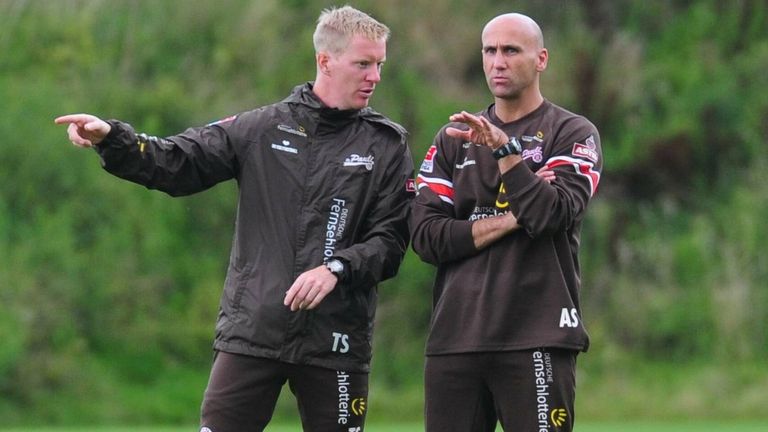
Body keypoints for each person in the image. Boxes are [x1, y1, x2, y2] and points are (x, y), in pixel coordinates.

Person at [55, 6, 414, 432]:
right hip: (254, 331)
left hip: (337, 339)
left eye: (380, 65)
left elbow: (391, 242)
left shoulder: (387, 145)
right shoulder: (262, 127)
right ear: (325, 60)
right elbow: (177, 162)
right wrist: (113, 139)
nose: (375, 76)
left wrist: (337, 269)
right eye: (363, 64)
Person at [410, 12, 603, 432]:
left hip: (537, 337)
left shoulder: (572, 132)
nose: (498, 62)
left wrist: (505, 151)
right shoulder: (452, 139)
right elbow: (426, 239)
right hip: (455, 338)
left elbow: (550, 213)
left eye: (511, 50)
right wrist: (514, 218)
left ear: (541, 59)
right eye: (490, 51)